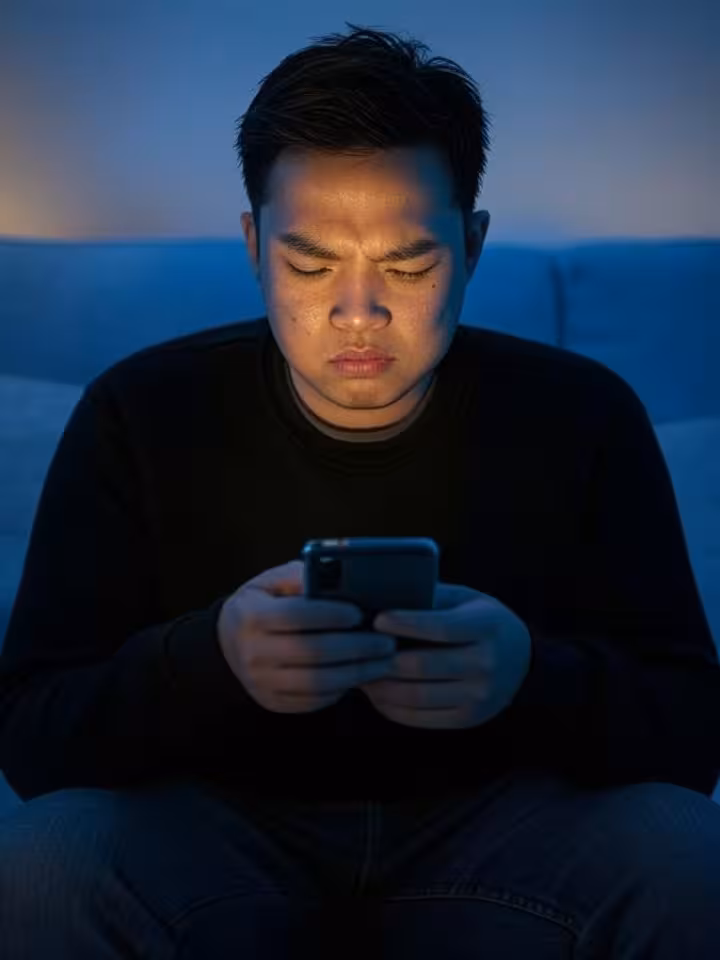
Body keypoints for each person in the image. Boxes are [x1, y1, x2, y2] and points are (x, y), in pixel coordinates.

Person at [1, 21, 720, 959]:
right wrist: (208, 660)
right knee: (40, 867)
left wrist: (530, 677)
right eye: (309, 264)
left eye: (410, 264)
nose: (357, 312)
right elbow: (31, 734)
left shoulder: (583, 416)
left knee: (689, 859)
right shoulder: (140, 411)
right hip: (212, 839)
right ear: (255, 244)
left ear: (473, 244)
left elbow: (692, 735)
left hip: (503, 838)